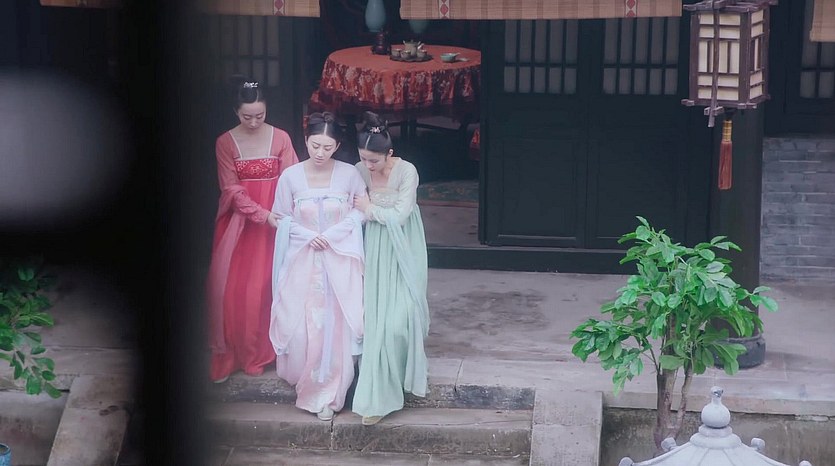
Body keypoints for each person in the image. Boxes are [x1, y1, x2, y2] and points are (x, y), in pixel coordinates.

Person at [269, 112, 367, 421]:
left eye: (327, 147)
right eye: (314, 146)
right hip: (304, 260)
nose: (320, 153)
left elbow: (361, 211)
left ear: (337, 146)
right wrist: (308, 236)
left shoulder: (349, 174)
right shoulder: (291, 176)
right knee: (305, 323)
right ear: (306, 141)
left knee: (337, 325)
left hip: (339, 259)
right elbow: (281, 217)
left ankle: (330, 393)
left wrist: (333, 235)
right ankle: (308, 382)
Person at [207, 77, 299, 384]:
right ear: (236, 112)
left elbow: (292, 180)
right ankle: (234, 354)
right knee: (231, 290)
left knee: (268, 288)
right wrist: (262, 215)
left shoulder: (281, 137)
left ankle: (266, 354)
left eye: (260, 115)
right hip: (242, 223)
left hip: (278, 218)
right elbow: (231, 189)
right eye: (247, 116)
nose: (254, 122)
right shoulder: (225, 142)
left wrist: (282, 216)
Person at [350, 111, 430, 426]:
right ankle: (379, 396)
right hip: (372, 246)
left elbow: (400, 215)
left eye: (374, 161)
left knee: (401, 318)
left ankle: (400, 377)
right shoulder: (358, 170)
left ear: (389, 153)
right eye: (363, 159)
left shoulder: (407, 171)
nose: (367, 166)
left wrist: (370, 209)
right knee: (376, 321)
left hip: (404, 246)